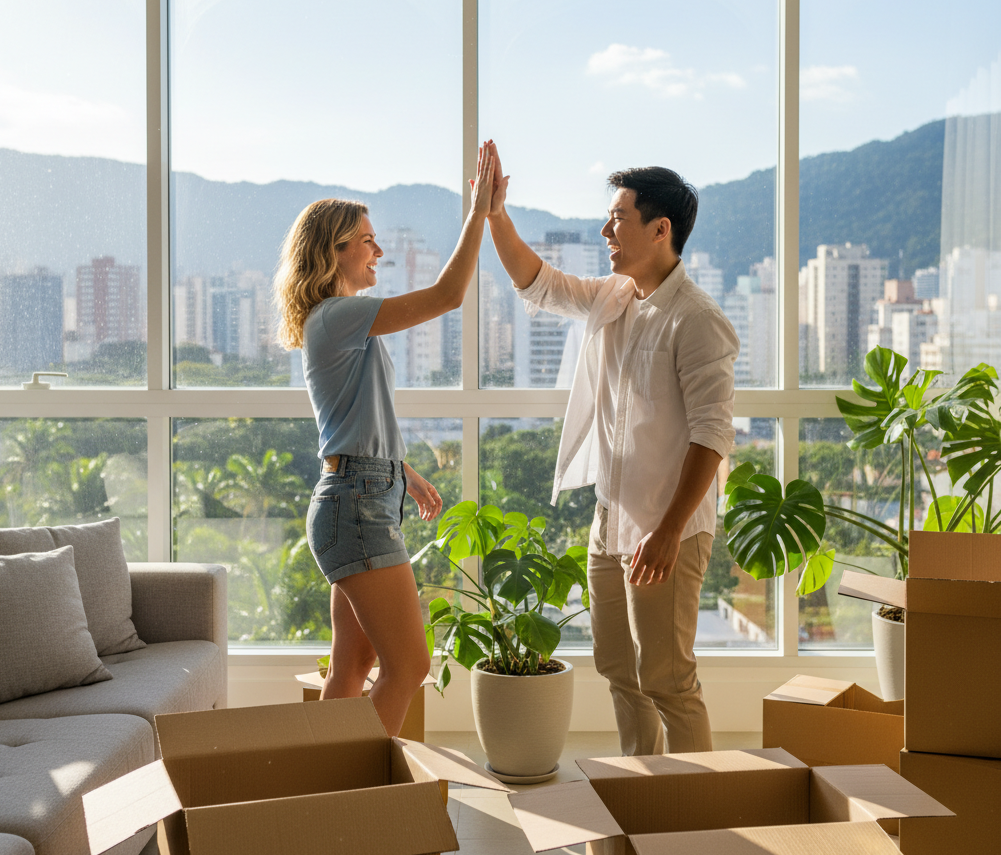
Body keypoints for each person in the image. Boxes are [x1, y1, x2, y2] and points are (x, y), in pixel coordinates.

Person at [485, 145, 738, 756]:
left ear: (660, 230)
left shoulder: (698, 319)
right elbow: (537, 282)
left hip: (666, 528)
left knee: (669, 682)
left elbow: (713, 435)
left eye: (617, 218)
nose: (605, 230)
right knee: (619, 672)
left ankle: (696, 820)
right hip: (611, 521)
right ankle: (642, 791)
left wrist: (670, 530)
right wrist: (495, 214)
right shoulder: (615, 297)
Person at [273, 141, 497, 736]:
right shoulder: (338, 315)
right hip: (358, 506)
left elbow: (357, 419)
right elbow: (448, 296)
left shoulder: (337, 318)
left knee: (353, 666)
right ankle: (362, 796)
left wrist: (406, 473)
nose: (379, 250)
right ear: (336, 250)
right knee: (410, 665)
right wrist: (480, 213)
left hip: (358, 494)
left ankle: (325, 797)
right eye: (367, 240)